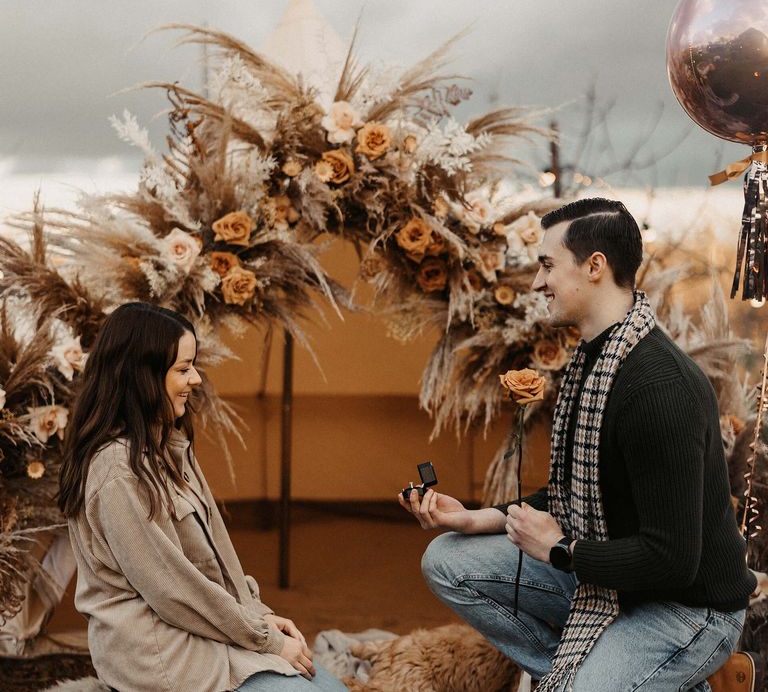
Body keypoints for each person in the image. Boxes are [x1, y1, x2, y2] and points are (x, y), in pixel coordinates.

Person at [399, 198, 756, 691]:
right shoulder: (595, 361)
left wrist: (563, 551)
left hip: (687, 609)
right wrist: (478, 518)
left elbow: (673, 559)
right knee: (447, 559)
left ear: (594, 267)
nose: (537, 282)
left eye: (547, 265)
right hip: (607, 579)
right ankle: (582, 677)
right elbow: (572, 496)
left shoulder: (659, 388)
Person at [59, 302, 347, 692]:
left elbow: (216, 561)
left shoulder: (169, 445)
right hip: (160, 654)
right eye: (182, 369)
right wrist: (266, 640)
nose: (195, 378)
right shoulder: (117, 472)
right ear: (141, 377)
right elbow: (174, 591)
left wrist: (259, 615)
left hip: (205, 631)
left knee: (331, 688)